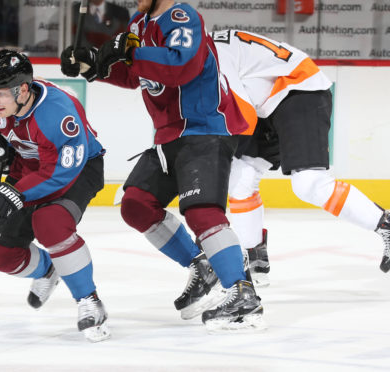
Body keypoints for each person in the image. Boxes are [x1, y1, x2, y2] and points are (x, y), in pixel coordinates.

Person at [61, 0, 265, 331]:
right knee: (136, 205)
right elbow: (133, 75)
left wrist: (128, 52)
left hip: (205, 128)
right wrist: (94, 66)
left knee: (201, 211)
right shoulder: (139, 23)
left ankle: (243, 294)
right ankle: (203, 265)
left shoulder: (181, 17)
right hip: (169, 136)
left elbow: (180, 64)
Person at [208, 29, 390, 286]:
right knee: (240, 179)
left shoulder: (215, 56)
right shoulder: (204, 45)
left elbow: (244, 117)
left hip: (297, 87)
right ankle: (255, 260)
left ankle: (386, 225)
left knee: (310, 184)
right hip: (265, 103)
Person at [0, 49, 110, 342]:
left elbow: (59, 173)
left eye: (0, 95)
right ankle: (49, 271)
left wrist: (13, 194)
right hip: (29, 165)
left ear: (23, 90)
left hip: (76, 169)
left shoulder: (59, 115)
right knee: (0, 254)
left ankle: (89, 301)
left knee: (49, 223)